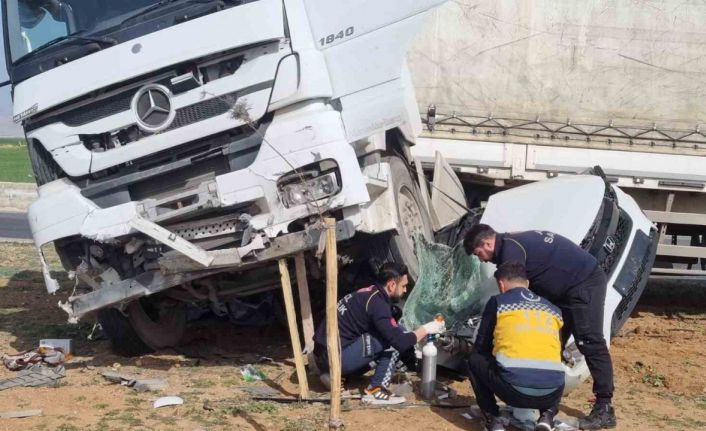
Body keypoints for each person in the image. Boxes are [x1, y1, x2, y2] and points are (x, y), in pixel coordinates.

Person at [464, 224, 616, 430]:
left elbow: (512, 294)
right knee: (549, 345)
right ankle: (536, 405)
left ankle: (604, 407)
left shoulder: (510, 251)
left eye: (478, 253)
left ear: (487, 243)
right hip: (563, 291)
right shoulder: (510, 243)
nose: (481, 259)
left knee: (589, 340)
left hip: (584, 282)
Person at [312, 262, 445, 405]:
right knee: (392, 343)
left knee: (394, 332)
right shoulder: (378, 304)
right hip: (333, 357)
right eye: (404, 286)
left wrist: (415, 334)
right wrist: (427, 328)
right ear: (392, 285)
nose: (405, 290)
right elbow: (399, 341)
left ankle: (336, 376)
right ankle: (376, 390)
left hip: (323, 353)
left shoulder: (370, 292)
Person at [469, 262, 564, 431]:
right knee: (552, 363)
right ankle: (547, 416)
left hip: (513, 391)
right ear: (527, 284)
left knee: (474, 359)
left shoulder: (499, 302)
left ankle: (494, 420)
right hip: (552, 392)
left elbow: (481, 346)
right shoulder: (553, 309)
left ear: (501, 284)